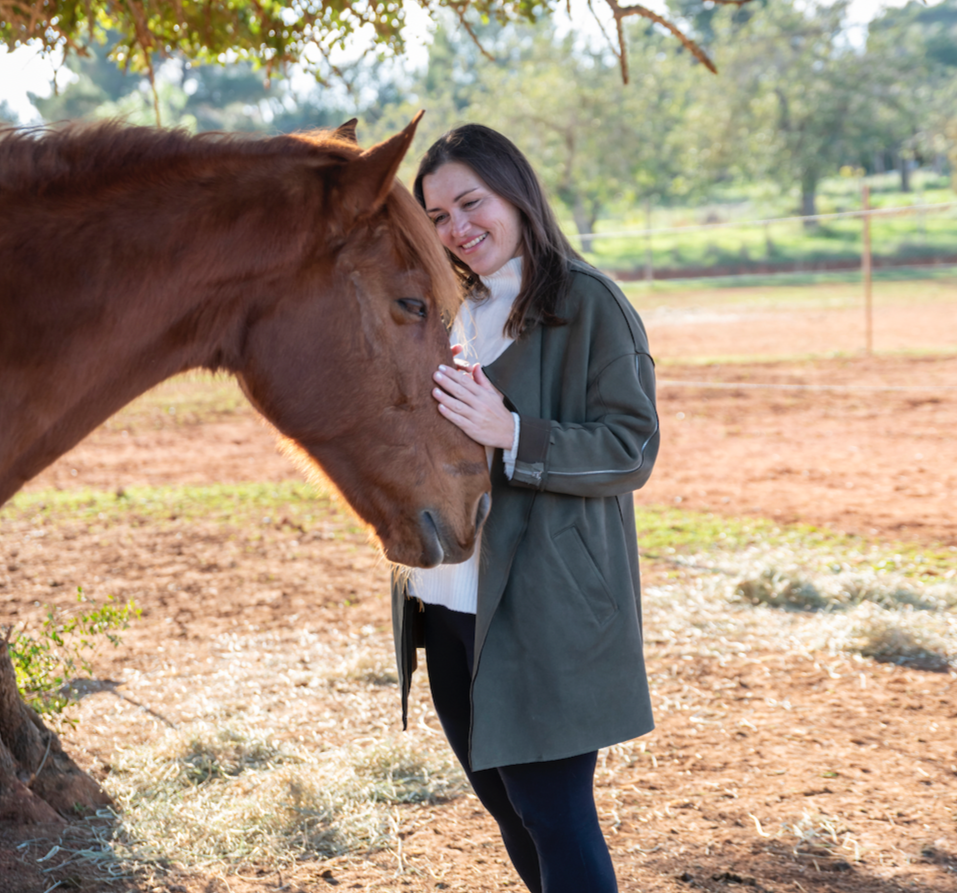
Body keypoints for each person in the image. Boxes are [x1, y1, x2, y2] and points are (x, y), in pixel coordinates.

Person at [391, 123, 660, 893]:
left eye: (470, 203)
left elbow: (631, 447)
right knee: (508, 808)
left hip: (541, 606)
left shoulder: (589, 304)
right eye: (436, 217)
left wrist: (510, 432)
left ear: (516, 191)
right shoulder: (444, 310)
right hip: (445, 604)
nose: (457, 228)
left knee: (553, 810)